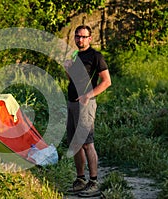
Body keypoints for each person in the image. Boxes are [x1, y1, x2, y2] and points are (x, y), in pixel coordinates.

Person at [65, 25, 111, 197]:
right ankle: (80, 180)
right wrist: (67, 69)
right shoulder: (75, 55)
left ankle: (93, 182)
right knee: (75, 144)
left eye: (84, 37)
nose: (80, 40)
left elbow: (107, 81)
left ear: (90, 38)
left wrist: (88, 96)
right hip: (71, 102)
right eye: (78, 36)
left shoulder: (96, 56)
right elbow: (73, 80)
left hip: (86, 104)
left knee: (86, 143)